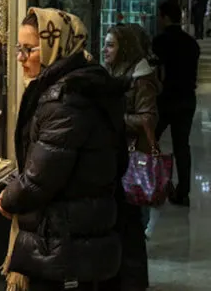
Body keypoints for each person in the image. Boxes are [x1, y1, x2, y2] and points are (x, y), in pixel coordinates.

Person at [0, 8, 125, 291]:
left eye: (29, 49)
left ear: (55, 47)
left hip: (64, 242)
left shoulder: (65, 99)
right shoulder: (77, 85)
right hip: (74, 236)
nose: (20, 58)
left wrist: (8, 198)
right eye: (19, 48)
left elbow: (41, 179)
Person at [103, 24, 160, 290]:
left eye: (111, 45)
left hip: (132, 159)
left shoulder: (140, 78)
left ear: (124, 48)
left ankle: (134, 280)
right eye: (105, 44)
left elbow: (148, 118)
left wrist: (115, 117)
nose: (105, 50)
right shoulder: (114, 73)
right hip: (116, 158)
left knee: (131, 224)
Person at [153, 1, 200, 206]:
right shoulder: (191, 43)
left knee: (150, 139)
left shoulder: (160, 41)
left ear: (165, 17)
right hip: (187, 98)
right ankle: (183, 192)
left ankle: (147, 182)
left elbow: (158, 70)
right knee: (182, 146)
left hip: (165, 99)